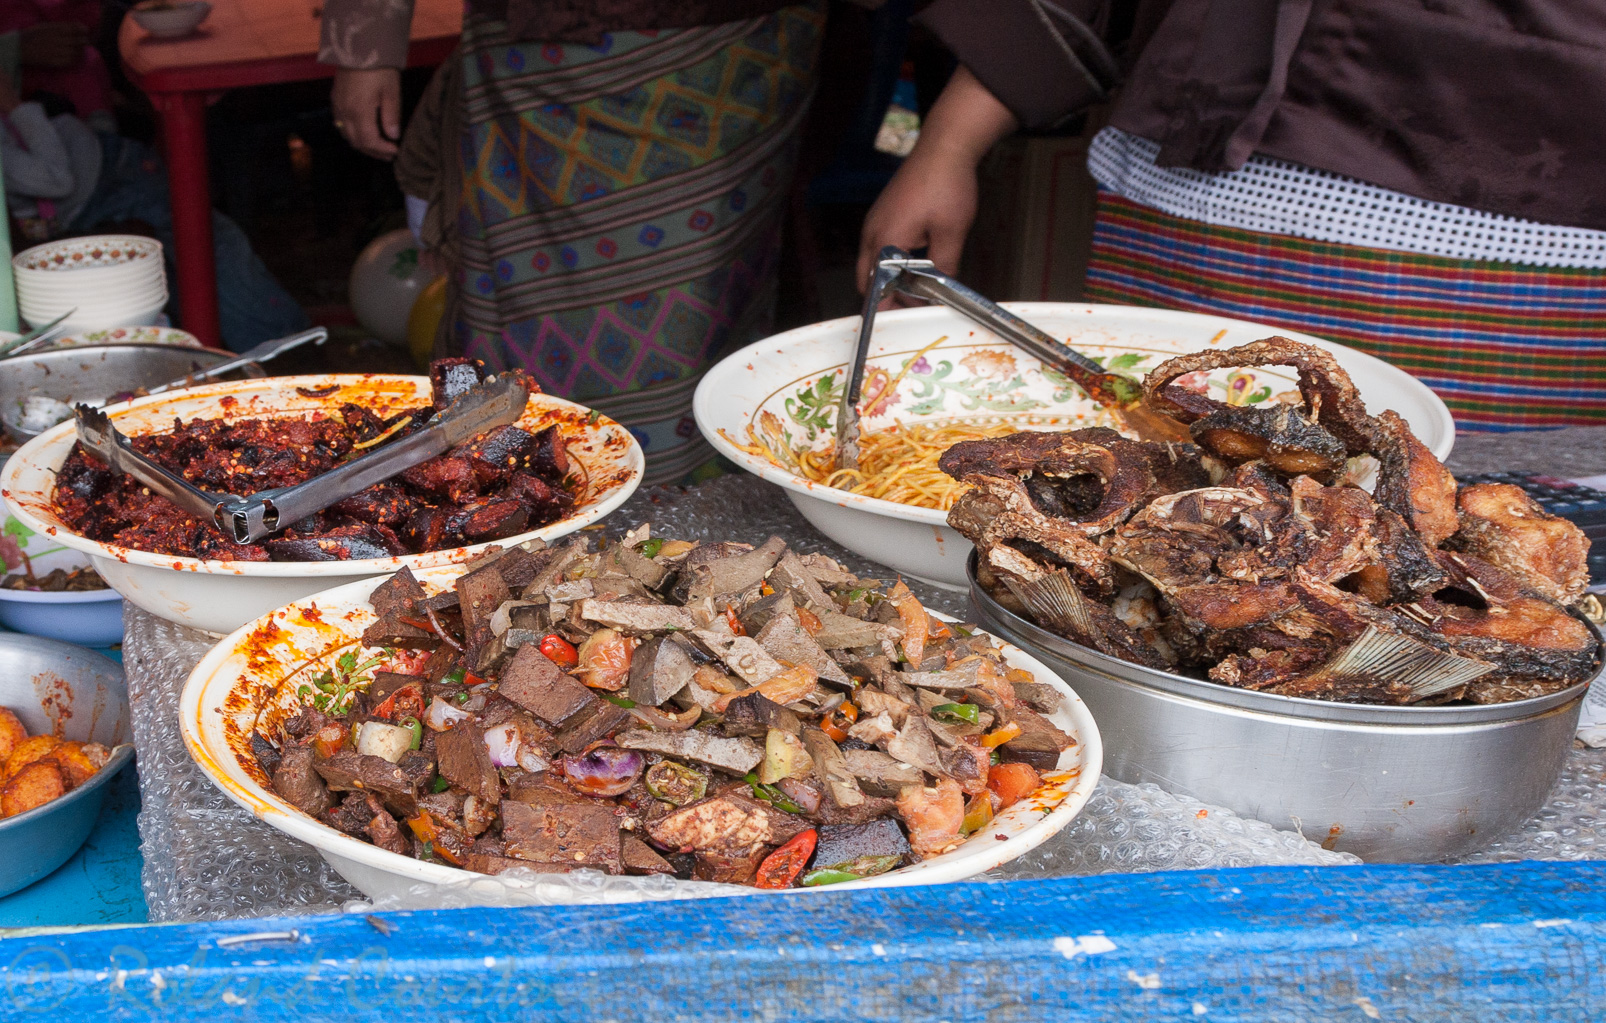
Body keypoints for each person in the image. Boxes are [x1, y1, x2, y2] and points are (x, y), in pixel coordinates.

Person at [858, 0, 1606, 432]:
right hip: (1203, 192)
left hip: (1536, 230)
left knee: (1475, 564)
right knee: (1140, 507)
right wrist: (948, 143)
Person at [319, 0, 827, 481]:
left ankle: (691, 517)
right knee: (522, 330)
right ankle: (519, 501)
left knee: (703, 313)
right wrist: (366, 43)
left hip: (737, 54)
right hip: (545, 51)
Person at [0, 77, 310, 350]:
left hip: (106, 167)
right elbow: (56, 179)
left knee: (190, 255)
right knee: (208, 243)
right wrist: (14, 104)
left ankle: (269, 344)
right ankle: (285, 345)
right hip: (104, 188)